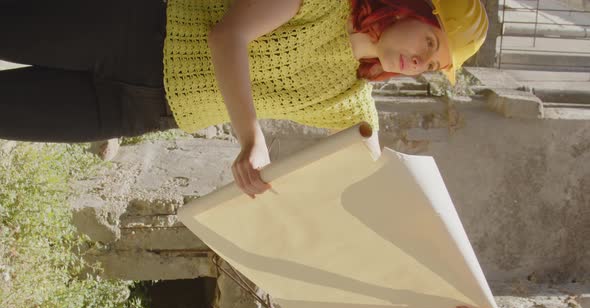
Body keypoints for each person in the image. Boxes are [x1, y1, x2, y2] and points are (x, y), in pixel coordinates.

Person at [0, 0, 488, 200]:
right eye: (429, 41)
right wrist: (251, 138)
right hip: (133, 31)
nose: (420, 61)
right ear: (411, 8)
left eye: (432, 63)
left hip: (140, 111)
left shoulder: (349, 99)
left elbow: (381, 185)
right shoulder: (325, 3)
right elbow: (228, 35)